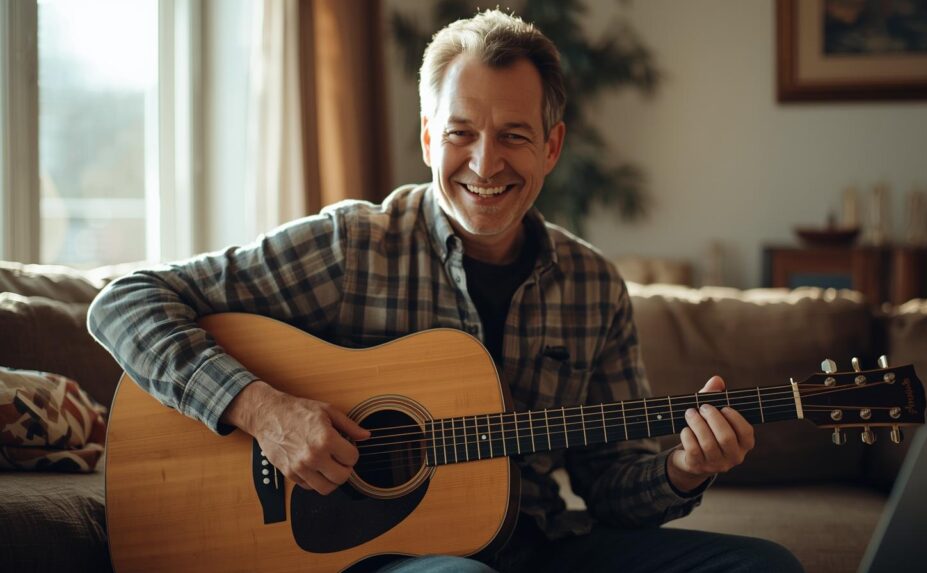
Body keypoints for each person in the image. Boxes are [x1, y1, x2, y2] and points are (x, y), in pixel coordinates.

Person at [88, 9, 802, 573]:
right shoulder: (351, 247)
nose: (484, 163)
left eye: (514, 136)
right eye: (461, 132)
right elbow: (124, 301)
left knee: (763, 565)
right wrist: (262, 409)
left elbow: (612, 487)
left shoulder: (592, 287)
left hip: (543, 545)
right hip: (391, 557)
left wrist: (682, 468)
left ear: (552, 146)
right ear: (429, 137)